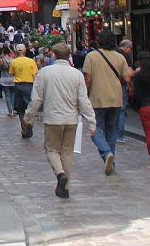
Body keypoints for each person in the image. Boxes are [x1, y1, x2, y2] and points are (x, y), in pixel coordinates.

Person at [23, 43, 96, 199]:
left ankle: (60, 173)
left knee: (51, 150)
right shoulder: (76, 74)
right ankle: (65, 187)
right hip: (71, 119)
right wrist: (91, 121)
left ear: (54, 55)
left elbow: (36, 99)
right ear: (68, 55)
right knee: (68, 152)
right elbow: (83, 99)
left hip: (53, 118)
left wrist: (29, 117)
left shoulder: (44, 72)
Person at [83, 29, 132, 175]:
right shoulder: (120, 57)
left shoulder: (91, 56)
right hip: (116, 98)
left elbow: (88, 79)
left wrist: (84, 95)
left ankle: (106, 153)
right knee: (112, 131)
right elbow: (127, 78)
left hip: (97, 98)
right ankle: (111, 160)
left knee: (95, 129)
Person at [9, 44, 39, 137]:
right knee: (30, 107)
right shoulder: (31, 61)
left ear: (16, 51)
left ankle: (24, 129)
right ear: (25, 51)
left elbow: (11, 73)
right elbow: (35, 75)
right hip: (29, 86)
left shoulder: (13, 62)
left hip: (18, 86)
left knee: (20, 109)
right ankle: (29, 123)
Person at [115, 39, 135, 144]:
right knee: (121, 110)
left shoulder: (113, 53)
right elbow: (129, 72)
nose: (131, 51)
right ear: (127, 47)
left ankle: (112, 133)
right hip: (122, 84)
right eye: (131, 49)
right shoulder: (125, 56)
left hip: (111, 84)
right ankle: (119, 135)